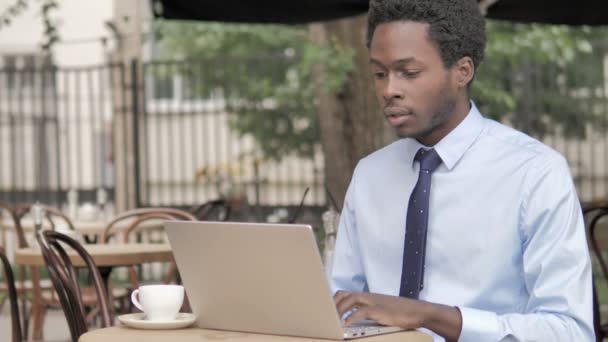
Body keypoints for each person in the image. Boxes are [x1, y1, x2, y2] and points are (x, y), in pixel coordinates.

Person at [329, 0, 595, 341]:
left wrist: (432, 316)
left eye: (408, 73)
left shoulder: (536, 173)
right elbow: (340, 305)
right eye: (379, 73)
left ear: (462, 71)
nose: (388, 90)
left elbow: (570, 331)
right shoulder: (369, 174)